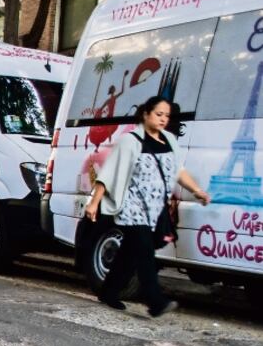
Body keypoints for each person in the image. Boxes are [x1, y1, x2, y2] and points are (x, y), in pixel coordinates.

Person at [84, 96, 211, 316]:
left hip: (155, 210)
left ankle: (109, 291)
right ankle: (155, 301)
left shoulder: (170, 140)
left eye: (166, 116)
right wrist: (94, 202)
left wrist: (197, 191)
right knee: (144, 253)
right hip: (132, 208)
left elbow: (178, 171)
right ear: (146, 114)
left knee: (130, 253)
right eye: (158, 114)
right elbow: (109, 173)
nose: (163, 119)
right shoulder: (130, 141)